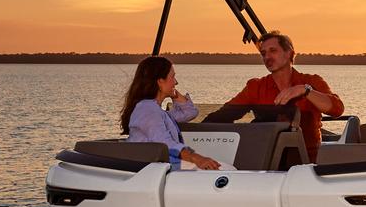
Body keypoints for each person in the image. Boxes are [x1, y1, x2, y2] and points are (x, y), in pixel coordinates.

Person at [224, 31, 343, 162]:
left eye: (273, 51)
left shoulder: (312, 81)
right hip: (267, 163)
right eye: (263, 53)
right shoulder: (255, 86)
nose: (267, 57)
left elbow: (337, 109)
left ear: (290, 54)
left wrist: (305, 90)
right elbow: (223, 115)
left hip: (306, 165)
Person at [120, 56, 221, 171]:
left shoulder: (158, 111)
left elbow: (190, 112)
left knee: (220, 168)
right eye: (172, 77)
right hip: (151, 170)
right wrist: (196, 158)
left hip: (161, 167)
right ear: (160, 81)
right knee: (222, 170)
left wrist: (174, 93)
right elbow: (164, 142)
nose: (176, 82)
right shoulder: (147, 109)